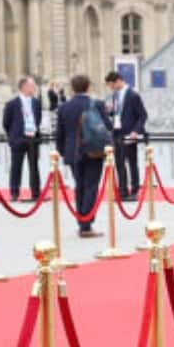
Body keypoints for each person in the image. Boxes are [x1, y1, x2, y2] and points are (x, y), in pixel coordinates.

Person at [52, 73, 110, 238]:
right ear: (88, 87)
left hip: (73, 152)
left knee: (80, 186)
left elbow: (60, 133)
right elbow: (107, 126)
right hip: (93, 150)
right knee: (91, 186)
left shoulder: (65, 107)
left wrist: (63, 151)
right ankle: (87, 224)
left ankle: (81, 221)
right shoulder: (97, 104)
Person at [102, 70, 148, 202]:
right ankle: (122, 191)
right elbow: (118, 113)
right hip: (117, 132)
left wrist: (136, 131)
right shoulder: (115, 95)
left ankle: (134, 190)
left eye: (111, 85)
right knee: (119, 163)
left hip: (129, 134)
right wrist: (111, 111)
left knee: (132, 162)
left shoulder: (133, 95)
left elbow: (142, 115)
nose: (111, 88)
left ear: (118, 81)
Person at [1, 76, 44, 200]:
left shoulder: (36, 102)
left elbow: (38, 119)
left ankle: (36, 193)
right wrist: (13, 137)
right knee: (16, 167)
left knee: (34, 167)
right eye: (32, 85)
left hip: (33, 139)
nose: (34, 88)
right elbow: (6, 123)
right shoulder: (12, 104)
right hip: (18, 139)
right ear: (24, 87)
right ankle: (14, 193)